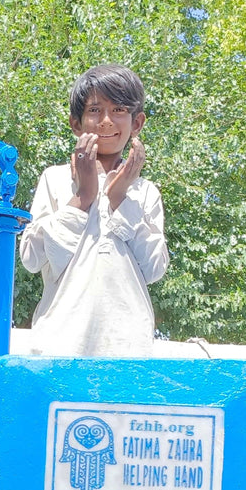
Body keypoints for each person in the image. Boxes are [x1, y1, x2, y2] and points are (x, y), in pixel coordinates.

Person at [19, 63, 169, 357]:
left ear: (137, 123)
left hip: (128, 349)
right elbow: (31, 258)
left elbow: (154, 269)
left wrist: (120, 197)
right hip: (59, 344)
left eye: (119, 111)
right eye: (95, 111)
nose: (106, 122)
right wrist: (83, 198)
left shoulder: (145, 191)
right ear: (77, 123)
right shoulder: (55, 178)